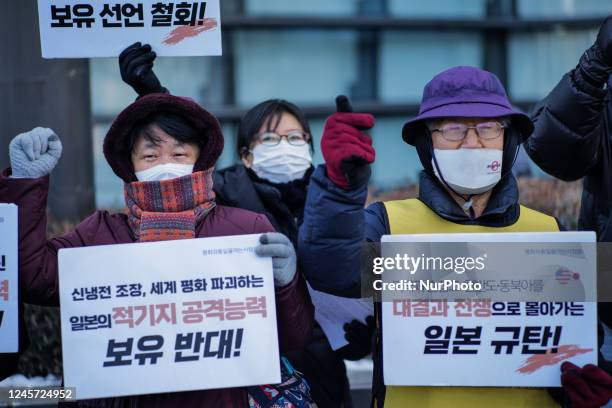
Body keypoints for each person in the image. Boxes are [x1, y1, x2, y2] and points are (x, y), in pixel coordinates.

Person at [298, 66, 612, 407]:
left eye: (489, 128)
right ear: (425, 142)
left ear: (509, 141)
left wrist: (580, 388)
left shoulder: (550, 234)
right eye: (452, 129)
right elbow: (330, 268)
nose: (473, 143)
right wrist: (339, 188)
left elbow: (577, 343)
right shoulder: (388, 225)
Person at [0, 93, 314, 407]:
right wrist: (25, 183)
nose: (165, 166)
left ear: (200, 159)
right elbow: (32, 277)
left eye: (179, 154)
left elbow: (293, 338)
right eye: (150, 156)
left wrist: (287, 283)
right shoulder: (101, 232)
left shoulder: (245, 229)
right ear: (130, 165)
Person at [118, 42, 375, 407]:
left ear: (310, 148)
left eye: (295, 138)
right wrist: (155, 99)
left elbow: (352, 271)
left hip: (321, 373)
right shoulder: (223, 194)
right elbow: (180, 177)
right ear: (246, 155)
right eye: (269, 139)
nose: (283, 146)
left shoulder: (333, 198)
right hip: (238, 369)